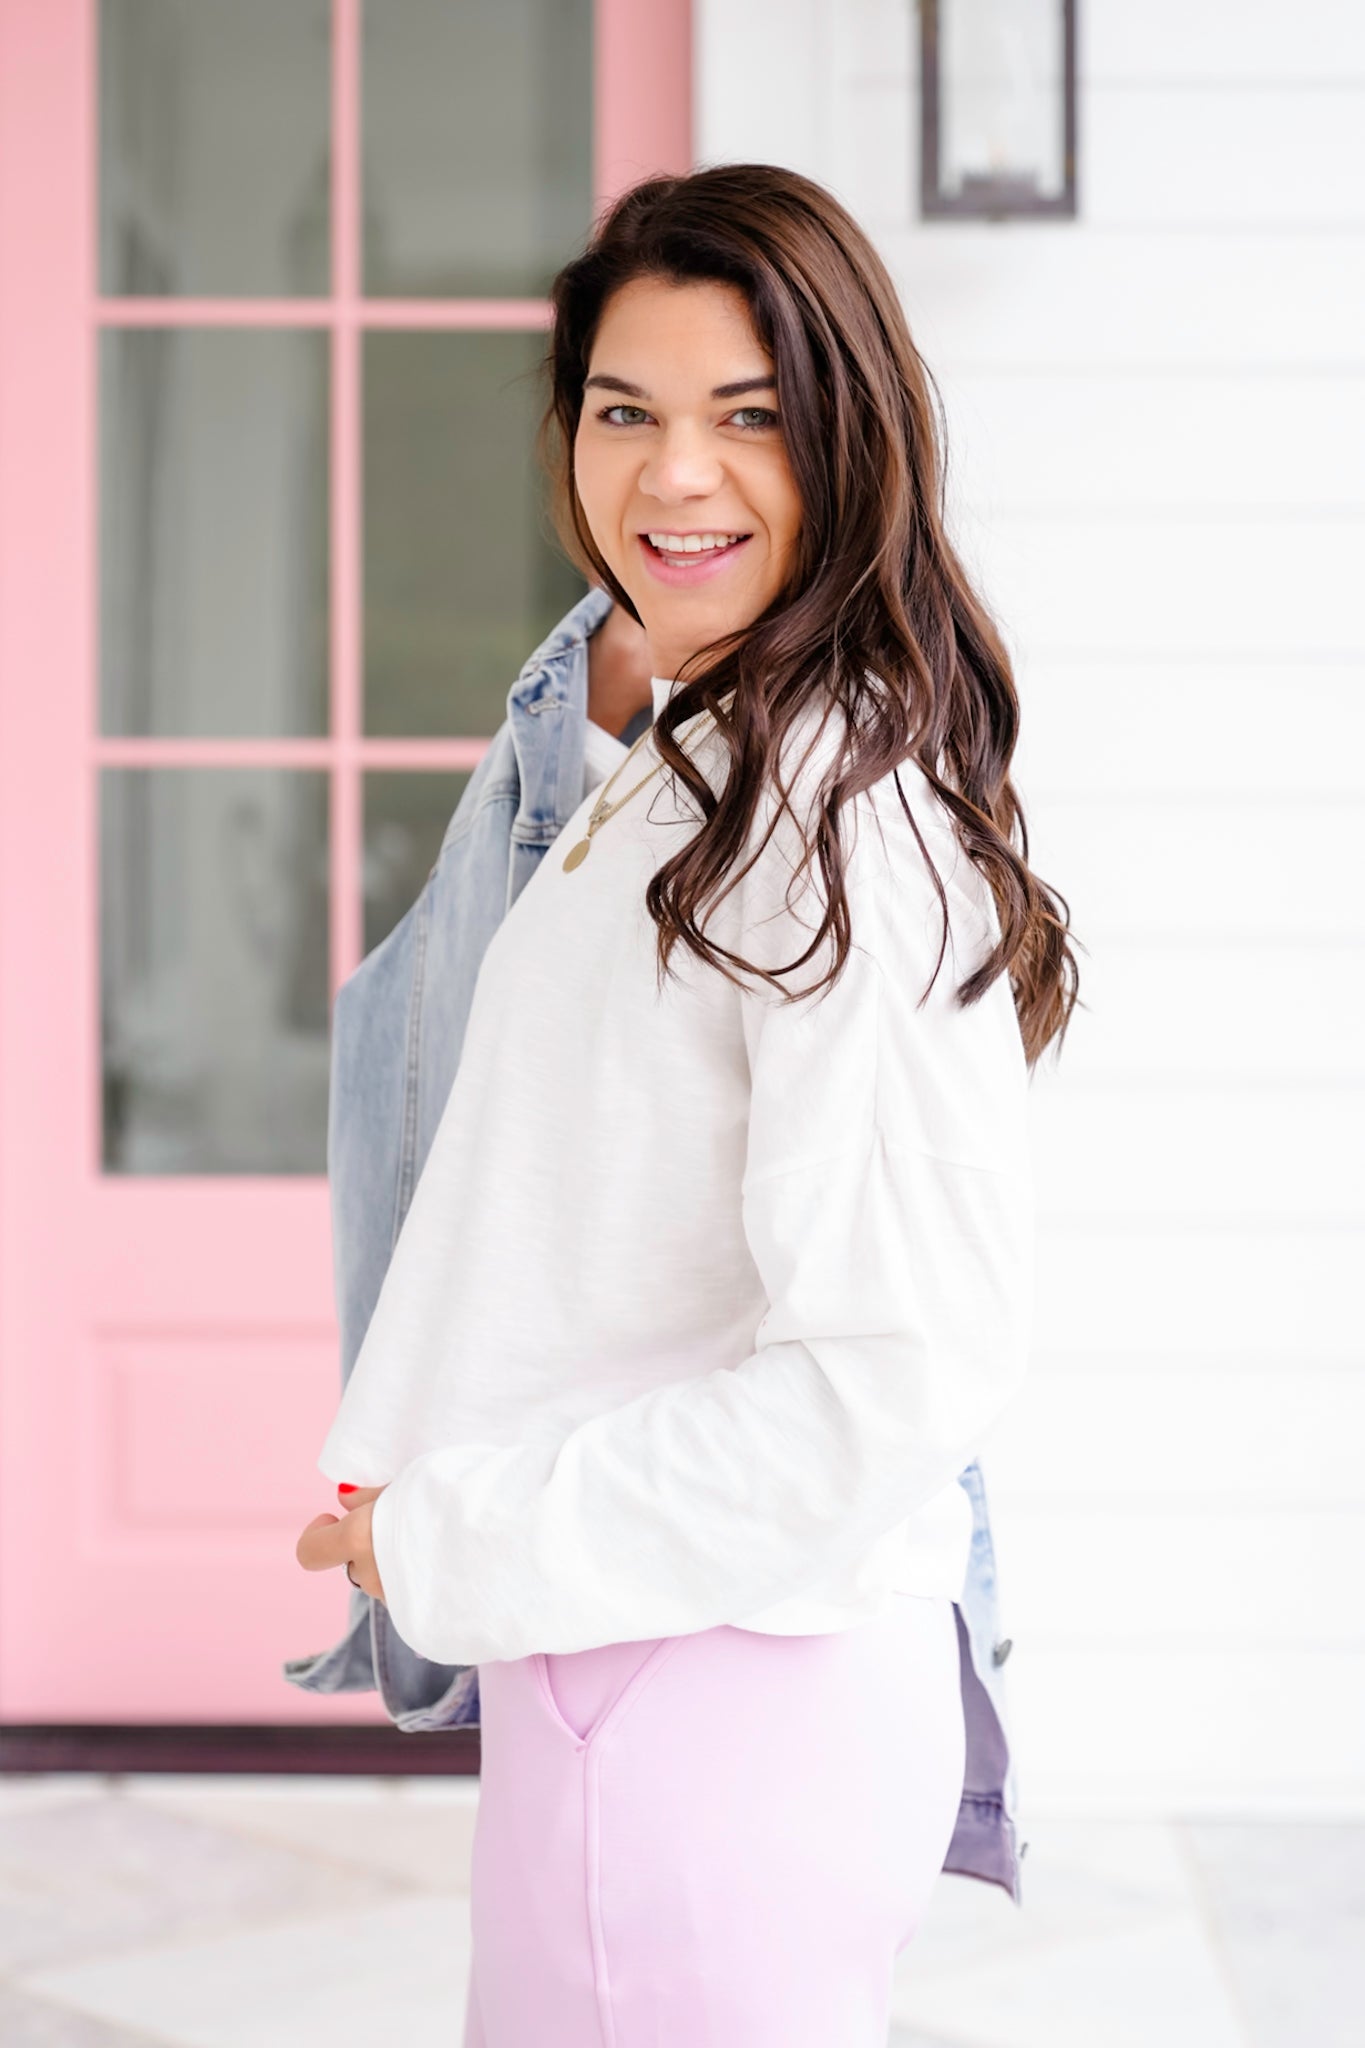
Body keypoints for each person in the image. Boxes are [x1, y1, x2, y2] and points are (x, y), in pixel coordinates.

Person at [295, 163, 1079, 2046]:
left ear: (852, 435)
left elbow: (886, 1373)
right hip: (640, 1672)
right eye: (622, 412)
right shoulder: (695, 760)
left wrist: (445, 1538)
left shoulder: (826, 815)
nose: (673, 478)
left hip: (710, 1703)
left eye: (748, 418)